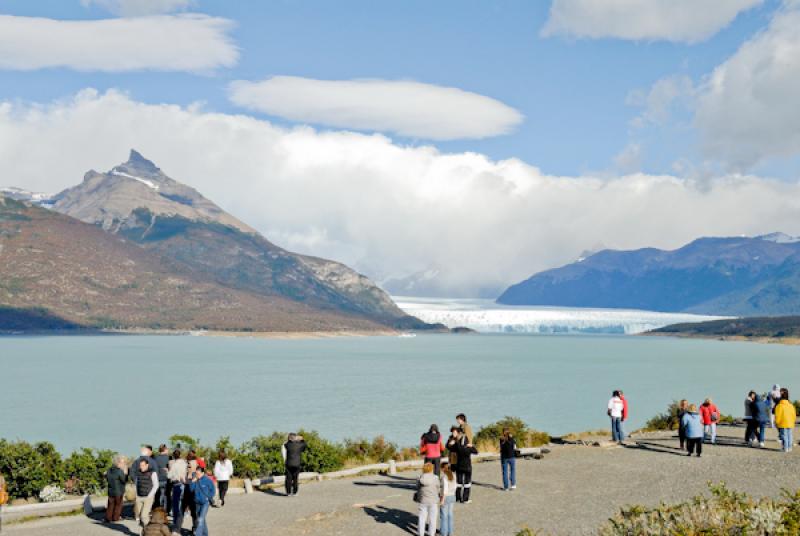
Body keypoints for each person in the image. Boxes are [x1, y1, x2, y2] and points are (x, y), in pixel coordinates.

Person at [446, 426, 477, 504]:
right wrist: (472, 446)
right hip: (464, 465)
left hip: (459, 464)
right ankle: (463, 498)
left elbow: (450, 448)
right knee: (464, 482)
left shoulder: (457, 445)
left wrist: (451, 444)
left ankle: (459, 497)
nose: (453, 434)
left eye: (454, 432)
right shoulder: (465, 445)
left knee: (460, 482)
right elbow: (475, 451)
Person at [189, 465, 215, 536]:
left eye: (198, 473)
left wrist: (209, 497)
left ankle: (198, 534)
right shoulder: (195, 480)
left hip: (205, 503)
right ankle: (205, 534)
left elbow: (213, 490)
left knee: (201, 519)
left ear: (203, 473)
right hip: (197, 503)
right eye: (196, 473)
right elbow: (191, 490)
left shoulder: (207, 480)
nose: (197, 475)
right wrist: (193, 482)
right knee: (201, 519)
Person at [415, 462, 440, 536]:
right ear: (432, 469)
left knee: (422, 518)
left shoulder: (419, 478)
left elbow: (417, 487)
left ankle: (420, 533)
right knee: (433, 519)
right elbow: (438, 487)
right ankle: (431, 534)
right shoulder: (435, 477)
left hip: (423, 500)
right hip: (433, 500)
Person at [134, 458, 159, 528]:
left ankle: (150, 531)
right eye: (140, 465)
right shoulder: (138, 473)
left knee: (144, 515)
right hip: (139, 497)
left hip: (148, 497)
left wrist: (150, 495)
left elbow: (156, 485)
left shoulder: (153, 473)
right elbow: (136, 484)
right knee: (138, 516)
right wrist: (136, 495)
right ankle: (144, 531)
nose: (141, 467)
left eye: (143, 465)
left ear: (147, 465)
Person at [167, 449, 188, 531]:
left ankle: (176, 523)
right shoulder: (184, 463)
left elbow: (169, 476)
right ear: (180, 455)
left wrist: (167, 472)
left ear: (173, 456)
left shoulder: (174, 464)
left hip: (176, 484)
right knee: (181, 503)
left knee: (176, 505)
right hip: (183, 483)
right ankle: (181, 519)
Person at [104, 455, 127, 523]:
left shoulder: (108, 470)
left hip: (110, 490)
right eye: (122, 463)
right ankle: (116, 518)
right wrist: (125, 474)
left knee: (110, 505)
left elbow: (107, 478)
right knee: (118, 505)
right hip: (118, 491)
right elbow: (123, 480)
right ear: (118, 463)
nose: (123, 464)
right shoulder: (119, 471)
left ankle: (108, 518)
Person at [775, 387, 796, 453]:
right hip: (790, 422)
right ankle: (789, 448)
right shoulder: (791, 405)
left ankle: (785, 448)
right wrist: (793, 421)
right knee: (790, 435)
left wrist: (777, 423)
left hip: (782, 423)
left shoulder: (779, 405)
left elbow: (777, 415)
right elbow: (794, 415)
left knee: (784, 436)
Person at [438, 461, 456, 536]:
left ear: (442, 468)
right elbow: (455, 486)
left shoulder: (444, 477)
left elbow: (445, 489)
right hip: (452, 496)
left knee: (443, 516)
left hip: (446, 497)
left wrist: (442, 500)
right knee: (450, 515)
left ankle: (443, 533)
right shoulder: (454, 475)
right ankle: (450, 532)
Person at [154, 445, 170, 510]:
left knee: (158, 495)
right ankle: (165, 510)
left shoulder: (155, 458)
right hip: (166, 479)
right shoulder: (169, 458)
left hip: (157, 479)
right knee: (166, 495)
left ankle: (158, 508)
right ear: (165, 450)